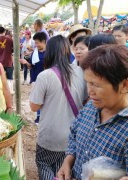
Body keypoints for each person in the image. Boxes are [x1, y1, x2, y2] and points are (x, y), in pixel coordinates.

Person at [57, 45, 128, 180]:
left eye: (96, 85)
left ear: (124, 85)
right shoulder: (91, 106)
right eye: (88, 83)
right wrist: (68, 161)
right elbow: (74, 133)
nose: (90, 91)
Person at [29, 35, 87, 180]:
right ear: (68, 51)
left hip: (49, 136)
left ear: (50, 52)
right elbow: (86, 102)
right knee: (63, 171)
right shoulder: (81, 73)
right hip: (72, 138)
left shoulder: (45, 76)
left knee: (44, 165)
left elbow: (34, 106)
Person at [0, 26, 14, 94]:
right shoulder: (9, 39)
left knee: (0, 77)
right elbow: (13, 49)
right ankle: (10, 91)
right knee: (10, 77)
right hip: (8, 60)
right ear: (4, 32)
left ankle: (1, 90)